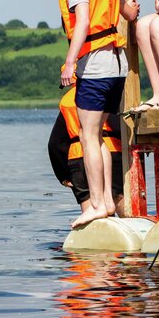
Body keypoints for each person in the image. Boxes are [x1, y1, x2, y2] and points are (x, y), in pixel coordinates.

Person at [35, 0, 139, 228]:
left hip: (95, 66)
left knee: (88, 136)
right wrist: (133, 7)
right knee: (98, 135)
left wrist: (70, 62)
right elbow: (129, 13)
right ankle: (106, 201)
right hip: (118, 65)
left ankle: (95, 204)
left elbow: (82, 22)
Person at [48, 87, 124, 221]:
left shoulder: (68, 100)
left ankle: (94, 230)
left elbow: (55, 143)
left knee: (92, 213)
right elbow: (118, 127)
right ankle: (133, 225)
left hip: (78, 158)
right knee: (122, 205)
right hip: (111, 151)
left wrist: (63, 176)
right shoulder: (103, 91)